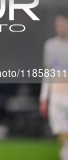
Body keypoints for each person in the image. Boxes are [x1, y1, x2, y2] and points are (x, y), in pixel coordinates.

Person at [39, 10, 68, 160]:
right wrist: (44, 97)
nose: (58, 26)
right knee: (61, 131)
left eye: (61, 23)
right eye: (56, 24)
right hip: (57, 95)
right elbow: (47, 73)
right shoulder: (50, 46)